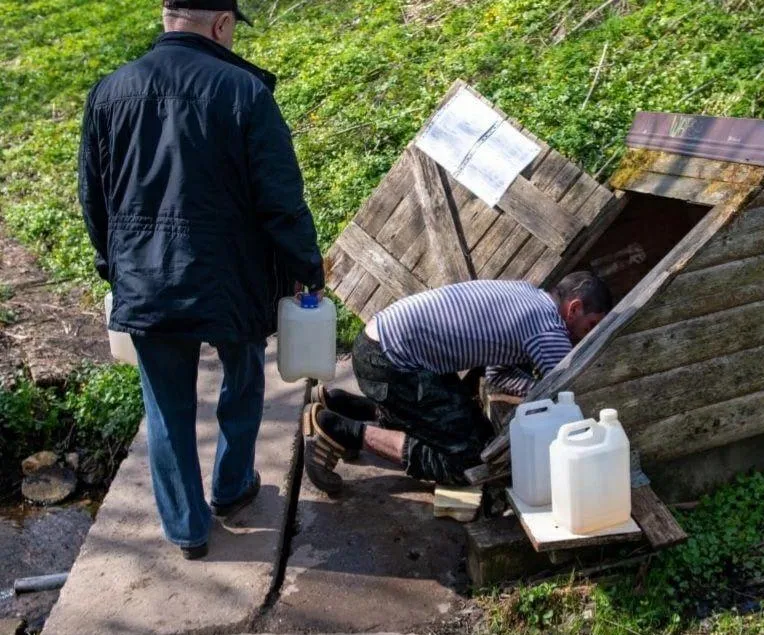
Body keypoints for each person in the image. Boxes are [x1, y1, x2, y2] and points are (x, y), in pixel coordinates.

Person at [79, 0, 324, 560]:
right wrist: (305, 270)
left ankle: (188, 529)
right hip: (232, 278)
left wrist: (112, 267)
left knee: (167, 406)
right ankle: (233, 486)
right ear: (221, 25)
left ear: (168, 20)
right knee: (243, 376)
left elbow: (94, 199)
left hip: (144, 277)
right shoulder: (245, 93)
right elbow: (281, 201)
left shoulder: (108, 92)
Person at [301, 273, 612, 494]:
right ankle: (339, 431)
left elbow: (499, 376)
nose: (587, 336)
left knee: (467, 424)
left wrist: (533, 388)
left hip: (381, 348)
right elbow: (574, 393)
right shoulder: (549, 328)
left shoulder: (528, 297)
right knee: (472, 459)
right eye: (591, 325)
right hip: (390, 364)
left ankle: (347, 405)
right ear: (574, 309)